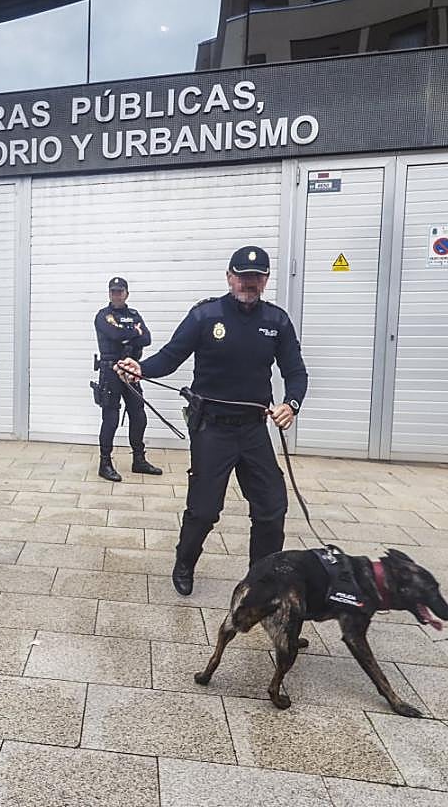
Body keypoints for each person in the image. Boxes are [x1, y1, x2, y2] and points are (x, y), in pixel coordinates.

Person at [116, 246, 308, 595]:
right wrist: (141, 369)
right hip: (213, 429)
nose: (249, 283)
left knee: (272, 506)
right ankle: (185, 562)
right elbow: (171, 356)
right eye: (242, 276)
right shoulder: (205, 316)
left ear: (265, 280)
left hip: (253, 429)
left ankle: (261, 581)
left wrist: (291, 404)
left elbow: (295, 371)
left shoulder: (276, 321)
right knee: (204, 510)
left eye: (256, 277)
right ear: (229, 276)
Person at [93, 276, 161, 481]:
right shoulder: (103, 315)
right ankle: (104, 463)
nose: (116, 294)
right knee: (111, 418)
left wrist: (125, 333)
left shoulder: (134, 314)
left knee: (139, 415)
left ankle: (138, 460)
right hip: (111, 370)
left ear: (126, 293)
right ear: (109, 294)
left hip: (131, 370)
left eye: (120, 291)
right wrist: (133, 332)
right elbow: (113, 335)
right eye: (113, 291)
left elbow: (146, 338)